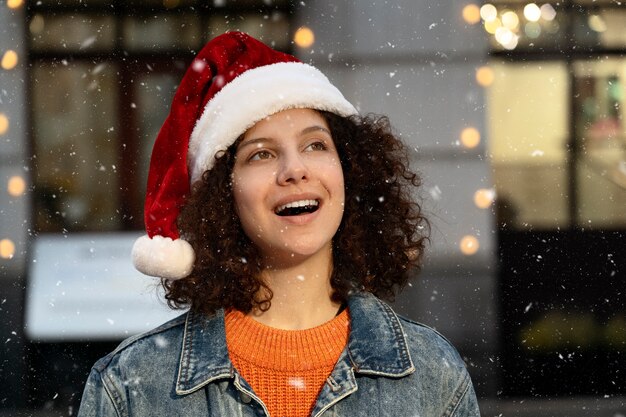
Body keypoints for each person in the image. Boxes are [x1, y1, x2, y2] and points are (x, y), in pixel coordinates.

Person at [77, 31, 481, 417]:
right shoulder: (133, 384)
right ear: (222, 195)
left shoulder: (432, 373)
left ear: (351, 171)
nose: (295, 170)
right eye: (261, 155)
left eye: (315, 145)